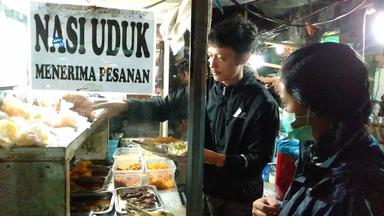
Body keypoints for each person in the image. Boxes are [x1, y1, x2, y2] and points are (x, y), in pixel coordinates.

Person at [252, 42, 384, 216]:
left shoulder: (351, 192)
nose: (285, 112)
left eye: (286, 103)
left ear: (315, 106)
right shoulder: (322, 152)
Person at [203, 18, 279, 216]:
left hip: (241, 201)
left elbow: (258, 160)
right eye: (210, 55)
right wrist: (126, 106)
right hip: (207, 191)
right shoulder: (208, 89)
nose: (212, 63)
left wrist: (217, 159)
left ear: (244, 58)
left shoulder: (262, 103)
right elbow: (165, 105)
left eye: (221, 57)